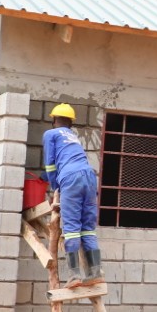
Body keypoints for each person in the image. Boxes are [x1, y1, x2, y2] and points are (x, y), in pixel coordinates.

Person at [42, 103, 103, 287]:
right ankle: (95, 272)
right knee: (88, 229)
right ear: (70, 123)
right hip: (89, 177)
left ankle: (74, 275)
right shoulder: (73, 137)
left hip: (70, 179)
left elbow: (51, 165)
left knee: (71, 228)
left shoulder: (50, 134)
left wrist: (55, 189)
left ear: (54, 120)